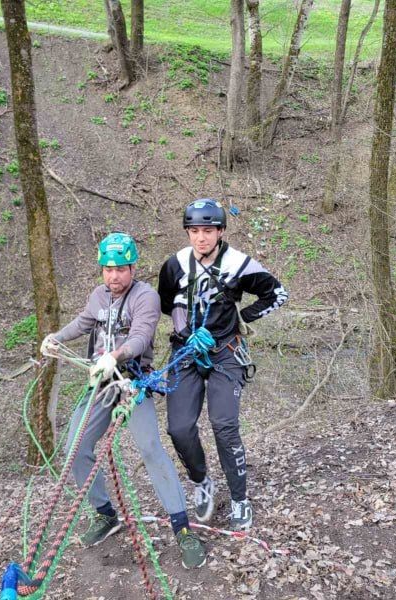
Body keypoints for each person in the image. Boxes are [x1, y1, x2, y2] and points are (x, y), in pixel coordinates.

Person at [40, 232, 206, 569]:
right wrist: (54, 339)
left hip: (133, 382)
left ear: (132, 267)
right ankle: (104, 514)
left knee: (149, 448)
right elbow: (83, 322)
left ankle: (183, 528)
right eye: (107, 269)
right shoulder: (98, 297)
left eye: (120, 269)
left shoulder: (144, 297)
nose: (113, 276)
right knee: (75, 447)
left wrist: (114, 356)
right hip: (101, 384)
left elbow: (141, 335)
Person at [158, 200, 288, 531]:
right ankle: (202, 482)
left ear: (220, 232)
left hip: (226, 353)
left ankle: (239, 498)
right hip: (186, 351)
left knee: (224, 425)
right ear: (188, 232)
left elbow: (277, 294)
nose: (201, 238)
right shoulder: (174, 265)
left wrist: (240, 319)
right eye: (195, 231)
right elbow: (166, 303)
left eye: (208, 231)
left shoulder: (239, 264)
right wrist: (186, 331)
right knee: (179, 428)